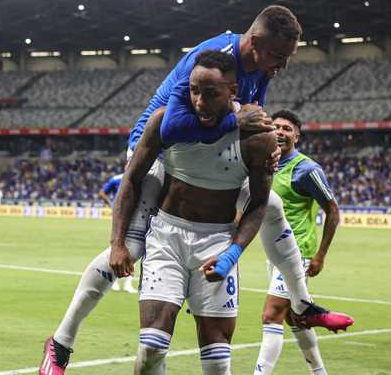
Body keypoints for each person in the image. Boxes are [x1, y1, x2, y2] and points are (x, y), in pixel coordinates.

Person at [40, 6, 351, 375]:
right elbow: (174, 126)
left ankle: (302, 305)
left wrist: (265, 150)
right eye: (278, 57)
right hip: (157, 150)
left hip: (208, 153)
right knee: (131, 247)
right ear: (255, 44)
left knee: (269, 202)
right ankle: (61, 344)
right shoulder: (206, 64)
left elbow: (252, 118)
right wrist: (236, 120)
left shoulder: (256, 68)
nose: (281, 66)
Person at [110, 50, 278, 375]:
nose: (200, 101)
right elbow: (131, 178)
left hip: (216, 242)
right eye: (194, 90)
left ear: (233, 91)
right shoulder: (166, 122)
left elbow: (259, 203)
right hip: (166, 238)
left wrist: (231, 255)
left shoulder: (257, 137)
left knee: (217, 363)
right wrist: (117, 242)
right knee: (149, 351)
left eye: (211, 93)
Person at [253, 110, 344, 375]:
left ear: (297, 135)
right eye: (275, 127)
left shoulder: (307, 169)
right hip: (274, 253)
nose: (280, 132)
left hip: (298, 253)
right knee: (297, 318)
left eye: (286, 128)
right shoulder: (265, 165)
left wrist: (320, 255)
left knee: (272, 315)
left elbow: (332, 210)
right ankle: (319, 372)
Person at [97, 172, 137, 293]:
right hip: (120, 216)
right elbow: (102, 192)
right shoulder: (117, 178)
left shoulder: (141, 175)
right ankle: (113, 282)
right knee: (116, 247)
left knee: (133, 250)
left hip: (136, 216)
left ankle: (128, 284)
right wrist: (111, 204)